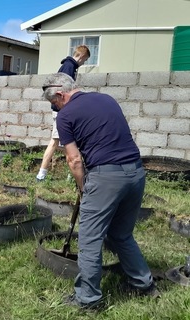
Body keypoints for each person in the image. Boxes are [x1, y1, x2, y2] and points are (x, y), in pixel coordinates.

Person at [42, 73, 158, 309]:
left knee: (90, 239)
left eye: (54, 103)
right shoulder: (107, 99)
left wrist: (85, 188)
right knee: (121, 234)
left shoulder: (65, 116)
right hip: (135, 172)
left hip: (106, 177)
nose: (55, 108)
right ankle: (143, 284)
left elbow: (74, 160)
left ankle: (88, 299)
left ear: (61, 95)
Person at [36, 45, 90, 181]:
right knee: (57, 142)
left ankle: (68, 175)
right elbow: (62, 92)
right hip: (61, 111)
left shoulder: (69, 66)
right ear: (82, 56)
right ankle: (42, 174)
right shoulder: (69, 67)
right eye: (84, 61)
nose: (83, 63)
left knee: (62, 142)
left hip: (61, 110)